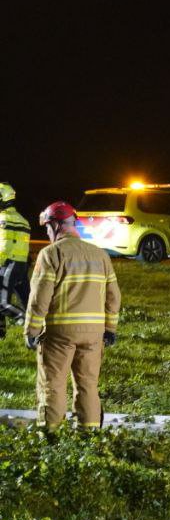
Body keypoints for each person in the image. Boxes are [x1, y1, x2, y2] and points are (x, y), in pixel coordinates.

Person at [24, 201, 120, 429]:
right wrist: (110, 329)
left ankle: (50, 434)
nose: (47, 233)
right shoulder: (100, 255)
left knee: (53, 385)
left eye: (47, 228)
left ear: (56, 225)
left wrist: (32, 331)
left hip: (60, 333)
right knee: (88, 384)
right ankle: (89, 434)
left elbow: (40, 297)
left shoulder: (51, 254)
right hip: (94, 335)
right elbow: (113, 296)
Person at [0, 182, 32, 335]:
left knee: (2, 303)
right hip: (22, 266)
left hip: (8, 264)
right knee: (29, 303)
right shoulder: (23, 220)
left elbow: (3, 246)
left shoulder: (3, 218)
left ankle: (24, 321)